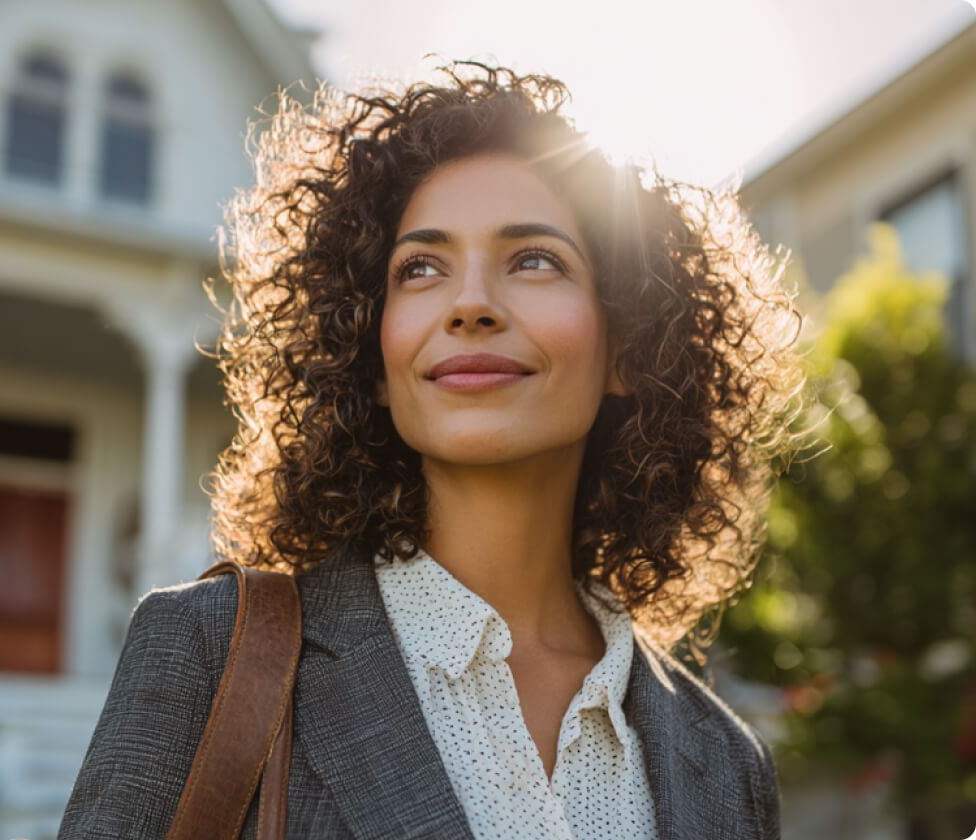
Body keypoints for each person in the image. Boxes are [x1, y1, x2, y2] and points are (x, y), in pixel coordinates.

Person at [58, 59, 807, 839]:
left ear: (629, 351)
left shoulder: (727, 764)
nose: (471, 303)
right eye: (420, 268)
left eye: (534, 260)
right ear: (372, 359)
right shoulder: (210, 654)